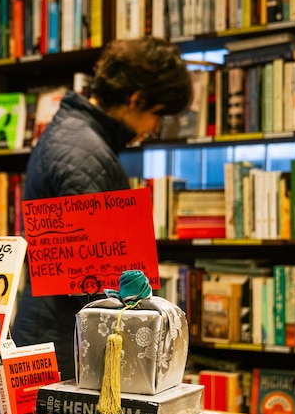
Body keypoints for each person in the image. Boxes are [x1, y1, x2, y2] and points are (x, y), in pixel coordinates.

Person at [11, 36, 192, 380]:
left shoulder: (76, 136)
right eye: (157, 116)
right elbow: (95, 278)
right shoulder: (83, 150)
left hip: (56, 333)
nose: (154, 129)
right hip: (65, 344)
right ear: (136, 98)